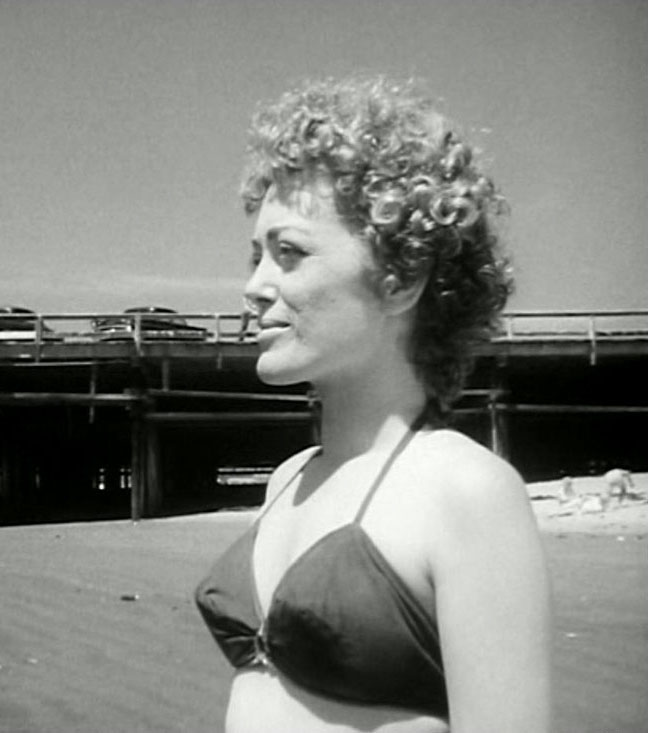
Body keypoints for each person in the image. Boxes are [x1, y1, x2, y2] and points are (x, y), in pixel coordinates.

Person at [195, 75, 551, 732]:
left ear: (401, 279)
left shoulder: (466, 490)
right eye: (255, 257)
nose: (254, 287)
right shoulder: (289, 479)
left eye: (289, 253)